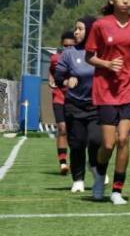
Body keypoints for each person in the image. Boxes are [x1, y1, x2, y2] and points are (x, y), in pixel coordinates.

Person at [85, 0, 130, 205]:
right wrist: (106, 63)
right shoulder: (100, 25)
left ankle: (116, 190)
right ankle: (100, 175)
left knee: (123, 139)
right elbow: (89, 57)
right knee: (108, 144)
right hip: (105, 90)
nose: (125, 0)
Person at [55, 17, 100, 194]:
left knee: (96, 140)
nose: (76, 32)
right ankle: (78, 179)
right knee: (77, 144)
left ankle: (94, 164)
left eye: (80, 29)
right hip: (74, 105)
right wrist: (67, 80)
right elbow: (58, 77)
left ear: (90, 31)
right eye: (75, 29)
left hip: (96, 105)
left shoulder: (101, 51)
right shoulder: (69, 53)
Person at [49, 31, 76, 175]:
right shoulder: (55, 58)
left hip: (76, 99)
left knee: (75, 134)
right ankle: (63, 163)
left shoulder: (81, 59)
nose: (67, 49)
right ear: (61, 45)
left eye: (71, 46)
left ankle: (76, 162)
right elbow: (52, 71)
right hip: (59, 97)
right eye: (65, 46)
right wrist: (51, 81)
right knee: (62, 128)